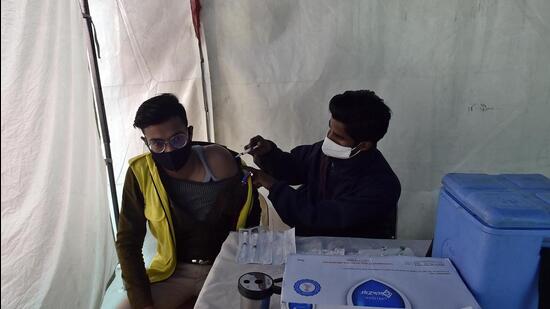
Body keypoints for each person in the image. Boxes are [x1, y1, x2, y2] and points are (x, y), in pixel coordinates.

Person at [116, 94, 260, 309]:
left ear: (190, 133)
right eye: (157, 143)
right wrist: (143, 303)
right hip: (173, 272)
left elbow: (250, 217)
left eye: (177, 139)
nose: (170, 150)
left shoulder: (220, 162)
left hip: (223, 267)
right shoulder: (140, 174)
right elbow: (128, 241)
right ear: (145, 143)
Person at [245, 90, 400, 239]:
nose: (329, 138)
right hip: (314, 244)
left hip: (355, 255)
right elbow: (293, 166)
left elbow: (318, 218)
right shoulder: (323, 153)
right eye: (330, 128)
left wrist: (272, 185)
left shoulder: (382, 186)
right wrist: (268, 154)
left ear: (364, 145)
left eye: (339, 136)